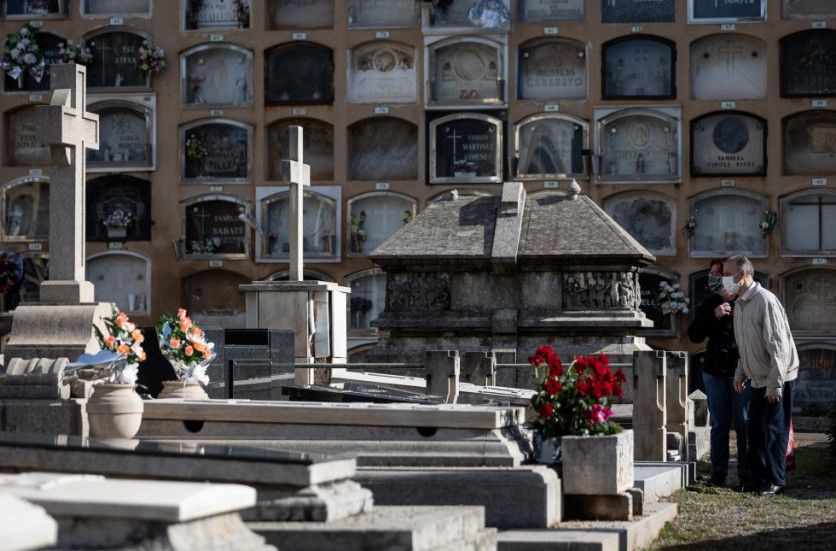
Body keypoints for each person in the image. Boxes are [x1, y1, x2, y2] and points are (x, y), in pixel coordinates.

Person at [724, 255, 799, 496]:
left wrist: (775, 386)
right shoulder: (740, 304)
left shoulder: (765, 301)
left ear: (743, 274)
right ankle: (758, 480)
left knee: (772, 431)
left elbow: (778, 346)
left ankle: (775, 481)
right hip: (757, 378)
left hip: (777, 377)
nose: (724, 279)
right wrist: (740, 373)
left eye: (727, 274)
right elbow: (744, 345)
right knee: (755, 430)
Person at [687, 258, 751, 489]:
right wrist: (713, 315)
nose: (715, 279)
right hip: (715, 370)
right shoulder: (710, 303)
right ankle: (719, 473)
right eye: (713, 275)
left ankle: (746, 474)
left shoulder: (746, 301)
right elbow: (694, 335)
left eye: (720, 275)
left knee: (743, 423)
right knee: (719, 424)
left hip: (741, 370)